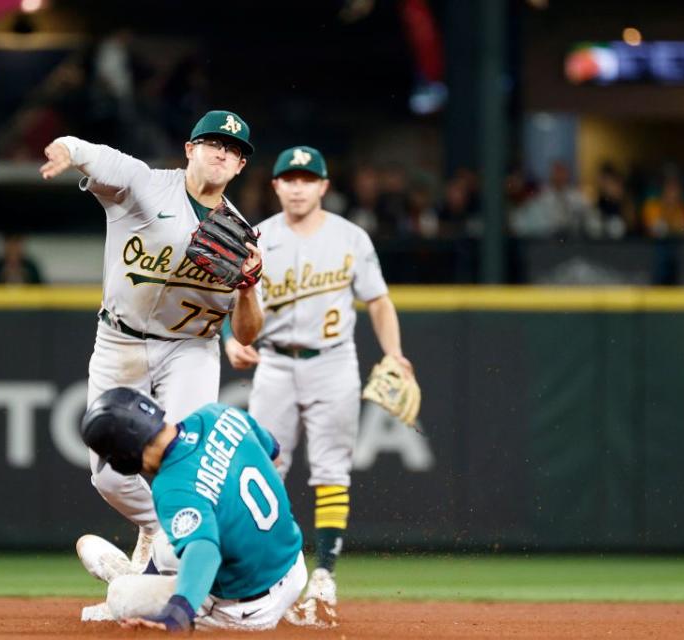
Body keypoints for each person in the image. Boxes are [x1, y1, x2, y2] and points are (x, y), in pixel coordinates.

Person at [39, 110, 264, 577]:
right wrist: (65, 148)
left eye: (235, 150)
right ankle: (166, 532)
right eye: (213, 143)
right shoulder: (144, 185)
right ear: (190, 150)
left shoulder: (243, 237)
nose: (223, 152)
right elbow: (94, 156)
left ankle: (170, 562)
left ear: (241, 167)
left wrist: (248, 288)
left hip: (190, 350)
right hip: (119, 341)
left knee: (186, 462)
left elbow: (245, 333)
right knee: (108, 473)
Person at [224, 146, 418, 624]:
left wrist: (394, 353)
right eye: (288, 178)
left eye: (307, 179)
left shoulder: (351, 238)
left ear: (324, 187)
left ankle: (325, 573)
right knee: (265, 469)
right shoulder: (258, 237)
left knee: (332, 470)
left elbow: (378, 301)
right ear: (275, 186)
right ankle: (277, 571)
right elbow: (228, 299)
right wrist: (229, 339)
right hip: (274, 362)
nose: (297, 186)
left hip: (332, 362)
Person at [76, 387, 306, 631]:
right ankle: (145, 576)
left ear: (124, 453)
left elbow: (205, 550)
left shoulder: (171, 487)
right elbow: (274, 455)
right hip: (293, 567)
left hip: (246, 611)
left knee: (119, 595)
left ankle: (126, 579)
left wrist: (176, 617)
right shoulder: (217, 414)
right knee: (165, 543)